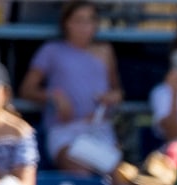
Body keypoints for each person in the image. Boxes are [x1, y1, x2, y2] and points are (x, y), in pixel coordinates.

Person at [25, 0, 121, 174]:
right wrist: (53, 96)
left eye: (90, 20)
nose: (85, 26)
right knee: (80, 174)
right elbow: (27, 90)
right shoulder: (51, 50)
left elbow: (117, 91)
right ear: (66, 23)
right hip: (64, 131)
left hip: (99, 129)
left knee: (118, 179)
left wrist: (112, 97)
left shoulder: (105, 51)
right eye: (79, 20)